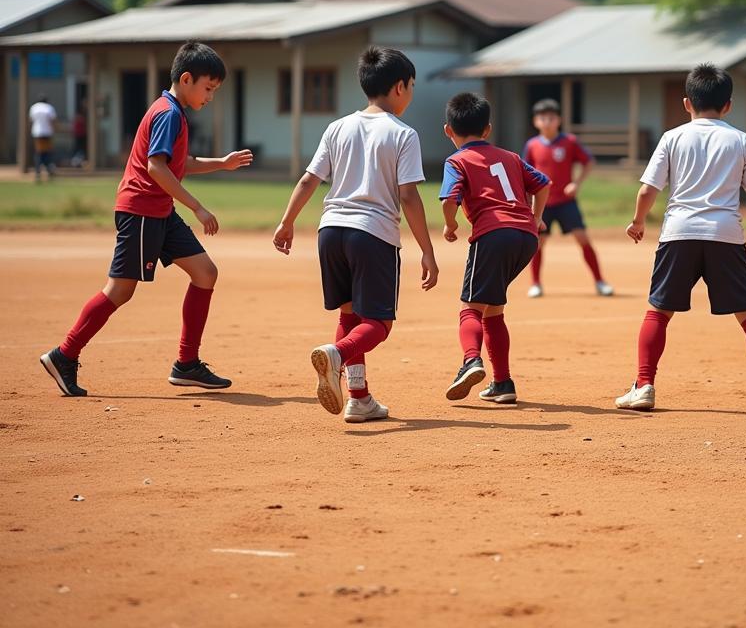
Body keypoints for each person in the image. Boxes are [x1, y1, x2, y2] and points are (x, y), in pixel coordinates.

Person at [40, 42, 252, 397]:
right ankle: (64, 354)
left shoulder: (172, 111)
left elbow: (176, 163)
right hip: (141, 211)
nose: (211, 96)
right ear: (186, 79)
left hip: (159, 212)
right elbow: (156, 167)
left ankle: (186, 364)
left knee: (205, 273)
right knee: (120, 291)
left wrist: (222, 162)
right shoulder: (169, 113)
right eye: (209, 88)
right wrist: (198, 208)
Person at [615, 63, 746, 416]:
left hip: (679, 233)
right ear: (728, 105)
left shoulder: (672, 137)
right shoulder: (740, 139)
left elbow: (648, 189)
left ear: (687, 103)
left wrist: (638, 221)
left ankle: (644, 386)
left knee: (658, 312)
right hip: (726, 235)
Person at [273, 46, 439, 423]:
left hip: (330, 230)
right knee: (378, 324)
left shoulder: (338, 127)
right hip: (372, 234)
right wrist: (427, 251)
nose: (410, 93)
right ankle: (337, 355)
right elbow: (408, 195)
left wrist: (286, 222)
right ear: (399, 87)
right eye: (411, 86)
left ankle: (359, 397)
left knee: (350, 313)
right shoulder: (403, 134)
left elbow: (309, 179)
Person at [439, 92, 550, 406]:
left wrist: (450, 225)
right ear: (487, 129)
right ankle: (502, 383)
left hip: (493, 234)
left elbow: (449, 199)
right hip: (526, 238)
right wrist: (537, 217)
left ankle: (471, 360)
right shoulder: (511, 156)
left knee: (470, 308)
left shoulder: (456, 160)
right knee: (493, 308)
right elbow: (543, 184)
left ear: (448, 130)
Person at [522, 99, 613, 298]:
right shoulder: (532, 145)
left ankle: (600, 281)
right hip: (542, 204)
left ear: (559, 120)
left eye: (551, 118)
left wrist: (577, 183)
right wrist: (528, 200)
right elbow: (524, 173)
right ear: (536, 121)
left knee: (583, 238)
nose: (547, 122)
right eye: (542, 118)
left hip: (566, 202)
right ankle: (535, 283)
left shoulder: (569, 141)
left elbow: (588, 162)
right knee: (538, 244)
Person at [29, 95, 58, 181]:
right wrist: (55, 130)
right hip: (47, 133)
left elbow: (31, 120)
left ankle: (38, 172)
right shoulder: (49, 108)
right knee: (46, 153)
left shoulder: (34, 107)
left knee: (39, 152)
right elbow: (52, 120)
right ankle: (49, 171)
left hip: (37, 133)